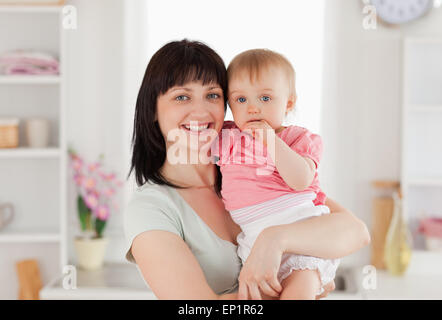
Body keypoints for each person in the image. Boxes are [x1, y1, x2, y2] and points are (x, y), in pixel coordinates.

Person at [124, 39, 371, 300]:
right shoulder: (150, 208)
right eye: (182, 97)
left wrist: (275, 240)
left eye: (212, 95)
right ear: (152, 108)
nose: (200, 110)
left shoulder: (248, 165)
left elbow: (356, 232)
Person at [211, 49, 343, 300]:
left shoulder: (298, 138)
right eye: (240, 100)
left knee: (298, 290)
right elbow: (190, 142)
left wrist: (271, 141)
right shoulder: (229, 138)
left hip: (302, 234)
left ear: (289, 103)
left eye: (265, 98)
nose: (252, 108)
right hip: (255, 243)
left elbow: (301, 180)